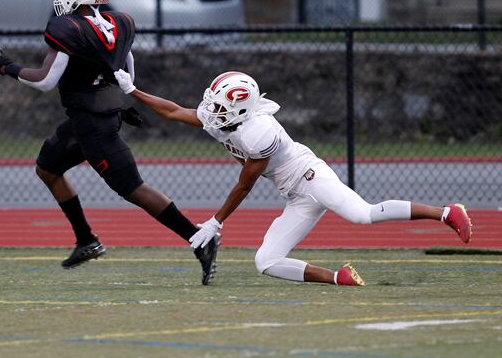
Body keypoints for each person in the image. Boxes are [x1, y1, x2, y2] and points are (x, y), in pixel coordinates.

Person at [0, 0, 219, 284]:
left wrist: (5, 67)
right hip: (90, 119)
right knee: (47, 168)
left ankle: (198, 240)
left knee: (133, 188)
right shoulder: (120, 22)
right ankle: (86, 240)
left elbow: (46, 80)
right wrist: (123, 99)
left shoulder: (69, 28)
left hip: (94, 125)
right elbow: (125, 66)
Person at [113, 69, 473, 286]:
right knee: (266, 262)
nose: (211, 111)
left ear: (239, 109)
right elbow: (174, 110)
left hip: (310, 176)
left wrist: (216, 221)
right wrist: (132, 90)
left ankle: (446, 213)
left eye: (220, 107)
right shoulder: (224, 120)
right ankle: (339, 278)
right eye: (213, 103)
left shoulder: (258, 132)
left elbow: (245, 184)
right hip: (295, 194)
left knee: (363, 214)